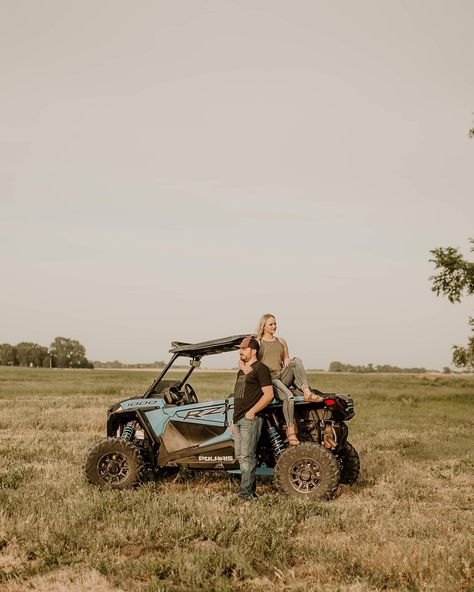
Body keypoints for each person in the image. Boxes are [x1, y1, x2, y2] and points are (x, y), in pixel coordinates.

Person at [241, 313, 323, 446]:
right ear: (264, 326)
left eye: (275, 323)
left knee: (296, 361)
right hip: (268, 380)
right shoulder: (258, 342)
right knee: (289, 397)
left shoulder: (281, 341)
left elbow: (286, 359)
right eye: (271, 324)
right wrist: (243, 367)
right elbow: (242, 359)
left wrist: (287, 360)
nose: (274, 326)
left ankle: (307, 392)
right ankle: (291, 432)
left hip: (282, 376)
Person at [232, 336, 274, 501]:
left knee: (248, 456)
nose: (240, 351)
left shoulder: (261, 369)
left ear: (253, 351)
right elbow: (238, 396)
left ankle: (245, 495)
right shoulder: (241, 370)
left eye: (243, 349)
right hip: (238, 419)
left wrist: (251, 412)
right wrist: (233, 420)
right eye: (240, 349)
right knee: (241, 456)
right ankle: (249, 491)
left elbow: (268, 395)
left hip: (250, 419)